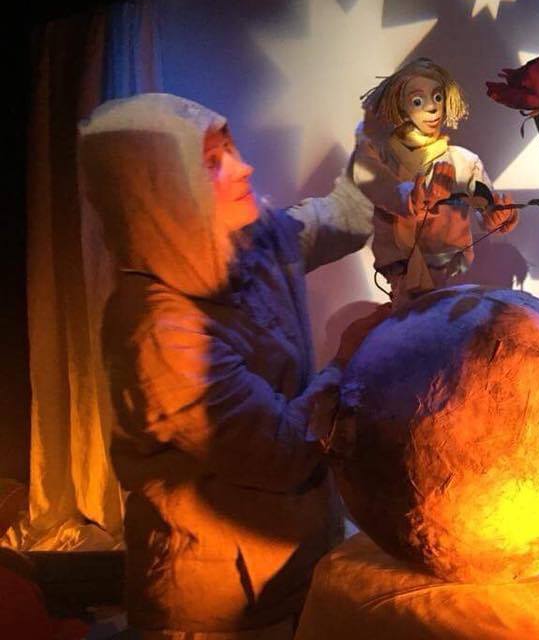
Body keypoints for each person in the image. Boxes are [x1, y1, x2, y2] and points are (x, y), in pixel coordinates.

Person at [79, 93, 373, 639]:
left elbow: (346, 215)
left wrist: (387, 143)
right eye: (212, 162)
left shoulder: (252, 241)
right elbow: (283, 452)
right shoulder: (158, 330)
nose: (244, 167)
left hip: (293, 568)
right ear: (161, 189)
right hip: (218, 605)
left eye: (231, 148)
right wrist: (350, 358)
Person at [350, 58, 518, 307]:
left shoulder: (463, 161)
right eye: (418, 100)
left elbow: (485, 208)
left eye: (437, 97)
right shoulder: (377, 155)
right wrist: (411, 198)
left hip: (452, 276)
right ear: (400, 104)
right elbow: (375, 184)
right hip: (401, 277)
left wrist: (497, 216)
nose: (432, 108)